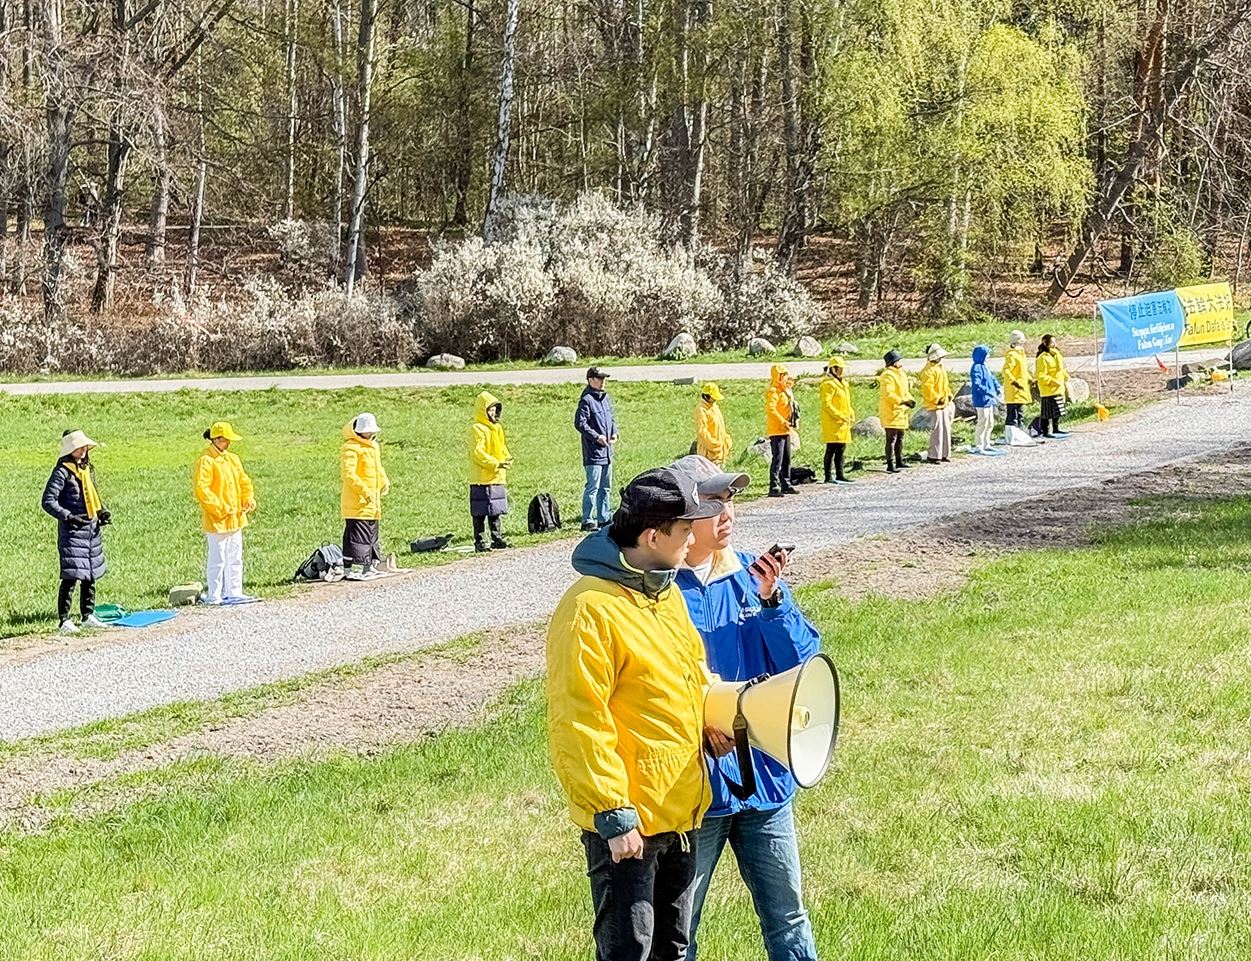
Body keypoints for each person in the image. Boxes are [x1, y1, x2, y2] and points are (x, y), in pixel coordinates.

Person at [546, 467, 727, 961]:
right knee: (631, 951)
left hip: (680, 812)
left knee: (674, 948)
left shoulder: (667, 595)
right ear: (652, 536)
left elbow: (690, 678)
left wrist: (713, 721)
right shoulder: (589, 609)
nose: (693, 540)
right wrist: (613, 813)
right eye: (686, 530)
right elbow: (579, 719)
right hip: (630, 827)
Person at [670, 454, 823, 961]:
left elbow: (801, 666)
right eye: (713, 501)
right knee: (679, 928)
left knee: (788, 918)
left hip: (764, 780)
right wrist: (697, 726)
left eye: (730, 499)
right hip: (697, 788)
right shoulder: (661, 590)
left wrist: (773, 601)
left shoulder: (753, 575)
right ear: (683, 514)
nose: (727, 512)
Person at [41, 429, 111, 635]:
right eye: (79, 447)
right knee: (71, 576)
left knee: (90, 575)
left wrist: (101, 512)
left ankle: (87, 615)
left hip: (90, 529)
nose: (83, 451)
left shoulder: (86, 469)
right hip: (72, 531)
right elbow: (48, 501)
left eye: (84, 447)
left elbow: (92, 496)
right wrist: (68, 516)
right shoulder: (62, 472)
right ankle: (64, 620)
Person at [193, 421, 257, 605]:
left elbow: (244, 481)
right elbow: (202, 489)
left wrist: (248, 498)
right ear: (216, 439)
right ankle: (214, 595)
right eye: (225, 440)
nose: (228, 443)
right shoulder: (205, 460)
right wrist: (220, 508)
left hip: (236, 517)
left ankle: (234, 591)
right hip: (217, 520)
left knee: (235, 556)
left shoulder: (233, 459)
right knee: (218, 558)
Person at [340, 412, 389, 580]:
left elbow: (378, 468)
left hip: (372, 503)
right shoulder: (350, 448)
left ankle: (370, 566)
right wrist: (365, 492)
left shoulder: (373, 447)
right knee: (357, 535)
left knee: (371, 534)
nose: (369, 433)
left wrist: (384, 482)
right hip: (357, 502)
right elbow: (349, 475)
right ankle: (353, 568)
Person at [468, 390, 512, 553]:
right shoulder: (476, 429)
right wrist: (495, 464)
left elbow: (502, 448)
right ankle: (480, 541)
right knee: (479, 512)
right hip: (481, 477)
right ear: (483, 411)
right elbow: (477, 453)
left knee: (496, 510)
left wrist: (507, 459)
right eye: (490, 410)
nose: (493, 413)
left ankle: (497, 538)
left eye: (495, 409)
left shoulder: (497, 428)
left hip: (497, 476)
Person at [575, 366, 618, 531]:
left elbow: (611, 418)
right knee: (592, 487)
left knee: (606, 487)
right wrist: (596, 437)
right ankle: (587, 519)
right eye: (599, 378)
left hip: (607, 451)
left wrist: (614, 433)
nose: (602, 382)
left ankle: (604, 517)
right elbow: (580, 423)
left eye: (603, 379)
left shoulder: (605, 398)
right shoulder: (586, 400)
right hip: (593, 452)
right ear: (590, 380)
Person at [878, 349, 915, 473]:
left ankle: (899, 461)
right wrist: (902, 401)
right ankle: (890, 463)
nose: (900, 363)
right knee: (891, 438)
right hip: (891, 411)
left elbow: (905, 391)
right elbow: (888, 394)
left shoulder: (901, 374)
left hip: (901, 411)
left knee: (900, 437)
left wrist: (910, 400)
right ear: (893, 362)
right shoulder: (887, 375)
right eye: (898, 360)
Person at [764, 365, 798, 498]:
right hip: (777, 430)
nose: (786, 377)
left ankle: (786, 484)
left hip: (786, 430)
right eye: (783, 375)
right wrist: (782, 421)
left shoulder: (786, 390)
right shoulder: (773, 392)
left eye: (786, 374)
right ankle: (774, 486)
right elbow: (771, 409)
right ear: (777, 377)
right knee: (777, 459)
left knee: (786, 459)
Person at [819, 356, 854, 484]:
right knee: (831, 448)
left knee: (841, 448)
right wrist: (839, 415)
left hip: (843, 421)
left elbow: (846, 402)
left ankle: (840, 474)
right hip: (833, 422)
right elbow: (826, 404)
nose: (842, 371)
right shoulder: (828, 384)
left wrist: (851, 412)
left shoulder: (843, 384)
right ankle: (828, 476)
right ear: (833, 369)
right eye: (840, 368)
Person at [919, 343, 953, 465]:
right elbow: (928, 389)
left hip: (944, 403)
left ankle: (945, 453)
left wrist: (949, 394)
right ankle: (934, 455)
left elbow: (945, 385)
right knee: (937, 430)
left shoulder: (940, 368)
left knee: (946, 428)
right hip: (934, 405)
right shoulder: (927, 371)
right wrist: (936, 399)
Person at [969, 345, 1004, 455]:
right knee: (982, 422)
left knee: (990, 422)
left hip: (989, 399)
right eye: (986, 354)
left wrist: (998, 388)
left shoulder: (985, 367)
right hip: (981, 400)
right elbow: (977, 385)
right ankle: (979, 445)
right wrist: (988, 392)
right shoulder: (976, 368)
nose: (988, 356)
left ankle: (986, 443)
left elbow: (992, 378)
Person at [1035, 334, 1070, 438]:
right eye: (1052, 342)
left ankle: (1056, 428)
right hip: (1048, 389)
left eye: (1055, 342)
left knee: (1058, 410)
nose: (1054, 344)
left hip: (1058, 387)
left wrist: (1065, 376)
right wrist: (1051, 381)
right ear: (1046, 343)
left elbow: (1060, 369)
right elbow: (1040, 375)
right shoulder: (1042, 358)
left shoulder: (1057, 355)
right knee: (1047, 412)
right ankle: (1045, 431)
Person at [693, 382, 732, 466]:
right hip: (708, 455)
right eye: (713, 397)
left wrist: (726, 441)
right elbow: (702, 432)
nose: (715, 400)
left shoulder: (715, 407)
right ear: (706, 396)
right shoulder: (701, 410)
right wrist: (714, 445)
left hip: (719, 453)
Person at [1002, 330, 1032, 432]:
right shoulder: (1011, 355)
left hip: (1021, 388)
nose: (1022, 345)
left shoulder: (1021, 355)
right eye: (1020, 343)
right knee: (1013, 414)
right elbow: (1006, 370)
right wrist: (1014, 381)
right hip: (1014, 389)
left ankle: (1020, 431)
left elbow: (1022, 371)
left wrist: (1030, 379)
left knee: (1020, 412)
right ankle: (1012, 433)